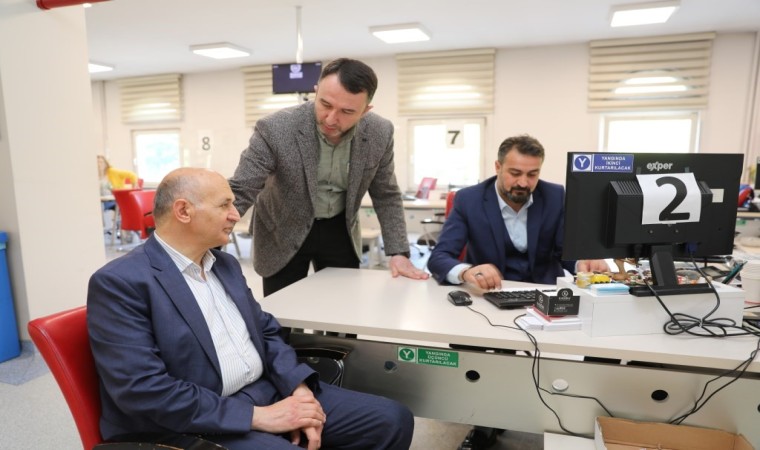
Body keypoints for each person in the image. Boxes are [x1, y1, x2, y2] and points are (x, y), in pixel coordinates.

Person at [87, 167, 414, 450]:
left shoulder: (224, 265)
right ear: (184, 211)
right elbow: (143, 390)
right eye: (224, 205)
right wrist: (259, 417)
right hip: (190, 420)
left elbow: (267, 332)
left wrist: (298, 389)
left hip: (266, 390)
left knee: (391, 419)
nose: (236, 214)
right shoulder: (121, 282)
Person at [426, 134, 608, 450]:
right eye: (515, 173)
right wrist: (467, 271)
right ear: (497, 167)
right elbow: (439, 257)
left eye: (532, 174)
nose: (523, 182)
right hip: (491, 297)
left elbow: (566, 252)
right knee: (482, 357)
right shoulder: (469, 200)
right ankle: (486, 419)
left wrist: (583, 262)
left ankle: (570, 418)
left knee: (593, 347)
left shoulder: (556, 196)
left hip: (543, 297)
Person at [229, 58, 428, 296]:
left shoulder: (379, 132)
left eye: (347, 111)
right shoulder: (276, 128)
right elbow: (242, 188)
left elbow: (386, 194)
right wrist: (205, 239)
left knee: (343, 307)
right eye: (325, 104)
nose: (331, 119)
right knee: (282, 311)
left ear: (365, 111)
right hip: (282, 228)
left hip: (339, 227)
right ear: (316, 91)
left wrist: (399, 252)